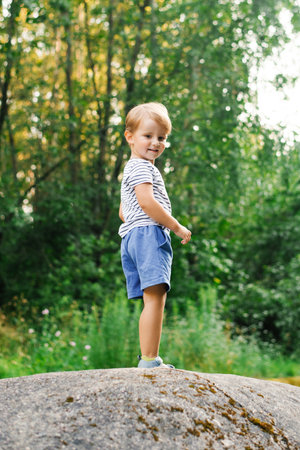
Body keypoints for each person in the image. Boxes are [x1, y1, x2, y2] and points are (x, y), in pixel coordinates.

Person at [119, 102, 192, 369]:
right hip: (149, 235)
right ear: (130, 137)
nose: (156, 142)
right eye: (148, 136)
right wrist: (175, 227)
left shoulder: (131, 168)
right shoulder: (142, 168)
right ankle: (150, 361)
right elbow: (148, 203)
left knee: (151, 298)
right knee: (155, 298)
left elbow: (123, 212)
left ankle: (148, 358)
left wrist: (136, 231)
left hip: (132, 238)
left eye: (161, 137)